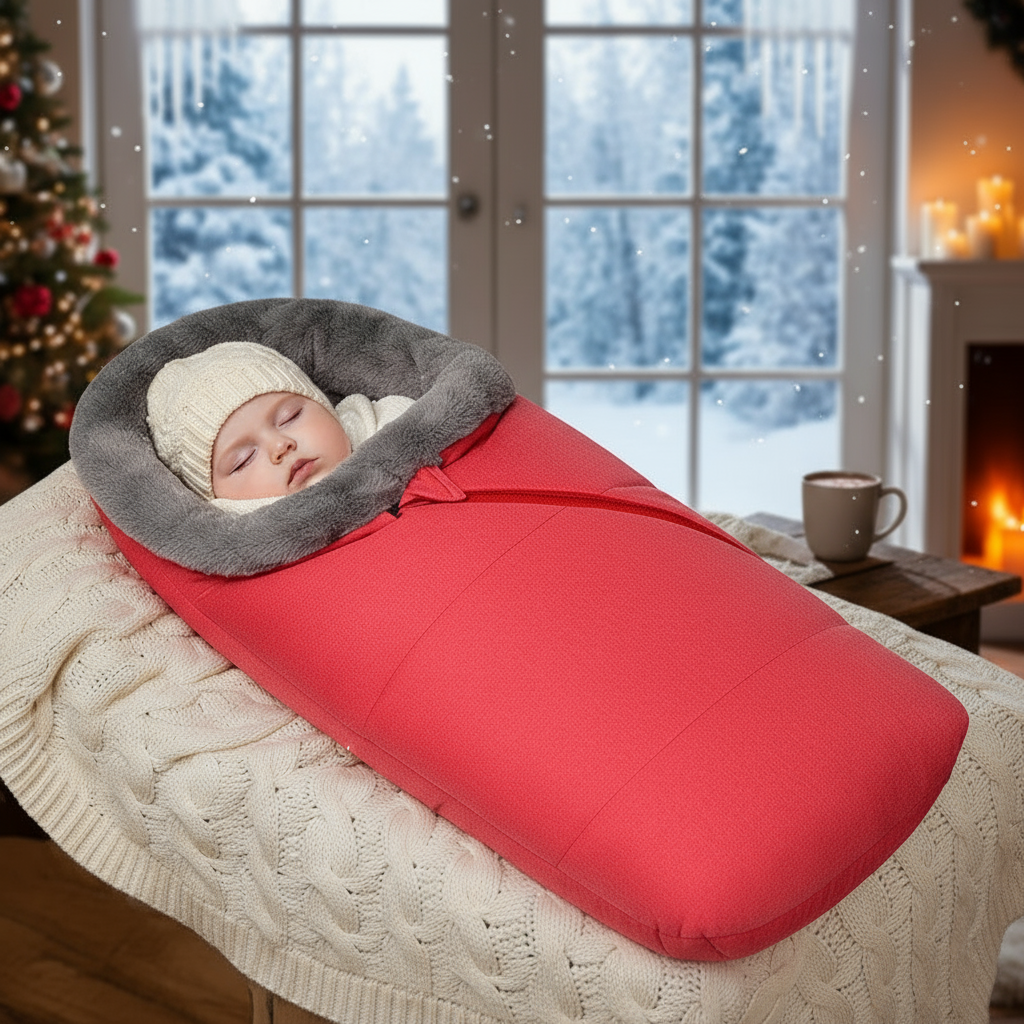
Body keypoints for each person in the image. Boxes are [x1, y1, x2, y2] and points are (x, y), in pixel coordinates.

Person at [146, 341, 413, 514]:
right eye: (243, 460)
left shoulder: (402, 425)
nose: (280, 446)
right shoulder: (239, 544)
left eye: (290, 417)